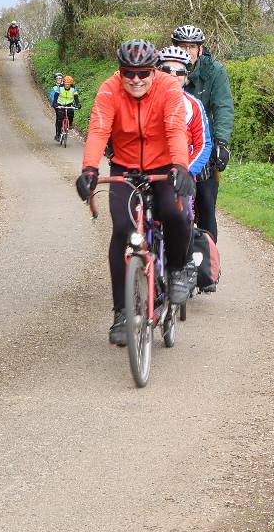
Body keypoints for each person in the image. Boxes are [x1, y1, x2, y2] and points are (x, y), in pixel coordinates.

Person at [75, 40, 197, 347]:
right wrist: (90, 169)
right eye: (128, 73)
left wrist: (181, 167)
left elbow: (174, 129)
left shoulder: (168, 88)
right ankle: (122, 313)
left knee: (174, 212)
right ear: (120, 71)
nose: (136, 80)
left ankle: (178, 271)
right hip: (125, 168)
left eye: (143, 73)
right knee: (122, 231)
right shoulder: (109, 89)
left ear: (153, 71)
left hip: (164, 165)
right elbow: (99, 129)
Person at [171, 24, 234, 293]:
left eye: (192, 48)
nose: (187, 52)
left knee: (206, 205)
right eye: (182, 47)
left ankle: (208, 268)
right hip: (173, 150)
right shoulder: (166, 70)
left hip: (204, 147)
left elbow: (223, 106)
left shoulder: (214, 72)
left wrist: (221, 142)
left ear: (200, 49)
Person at [51, 74, 80, 143]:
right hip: (60, 104)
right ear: (63, 83)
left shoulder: (73, 89)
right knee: (60, 119)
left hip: (69, 104)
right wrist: (54, 103)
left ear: (71, 84)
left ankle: (70, 124)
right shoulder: (60, 88)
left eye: (69, 84)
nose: (67, 85)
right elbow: (56, 96)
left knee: (71, 113)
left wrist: (78, 104)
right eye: (66, 84)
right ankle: (58, 134)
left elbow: (76, 97)